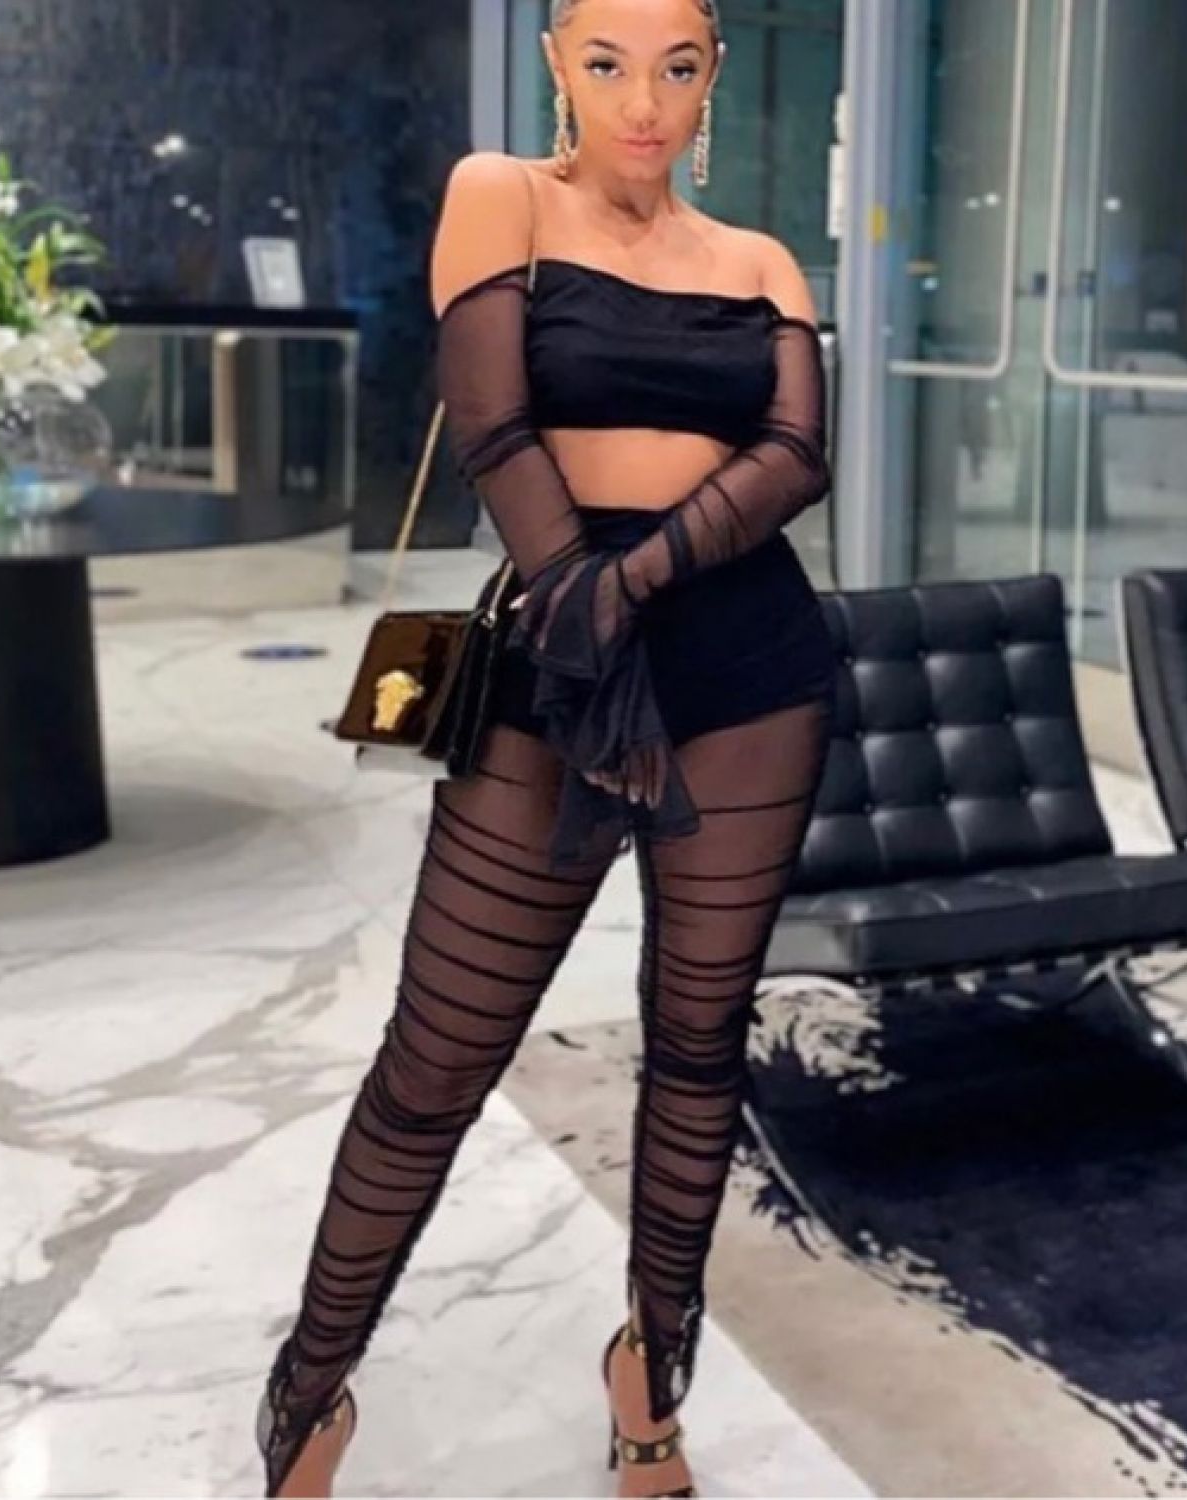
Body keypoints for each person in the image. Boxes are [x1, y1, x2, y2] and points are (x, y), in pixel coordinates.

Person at [255, 0, 835, 1493]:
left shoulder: (760, 261)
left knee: (698, 1048)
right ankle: (307, 1393)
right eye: (607, 62)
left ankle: (652, 1372)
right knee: (440, 1054)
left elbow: (796, 456)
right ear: (557, 64)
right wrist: (588, 610)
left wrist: (632, 587)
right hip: (549, 666)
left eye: (678, 67)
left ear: (713, 77)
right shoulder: (500, 193)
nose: (644, 101)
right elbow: (494, 429)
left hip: (748, 670)